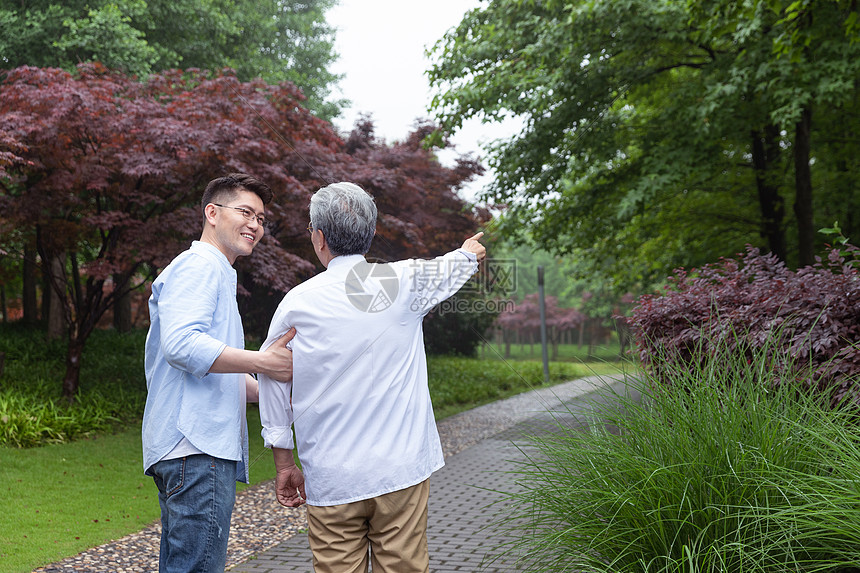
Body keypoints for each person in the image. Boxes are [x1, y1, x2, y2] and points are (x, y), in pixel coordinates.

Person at [258, 181, 486, 573]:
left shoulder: (297, 303)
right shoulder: (404, 281)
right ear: (370, 233)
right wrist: (470, 253)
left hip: (332, 479)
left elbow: (273, 379)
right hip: (401, 471)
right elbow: (454, 266)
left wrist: (283, 464)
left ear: (319, 237)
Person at [142, 173, 297, 573]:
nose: (255, 225)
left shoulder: (216, 272)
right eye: (245, 212)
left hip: (192, 449)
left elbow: (215, 368)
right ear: (211, 213)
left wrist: (272, 392)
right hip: (196, 447)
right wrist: (261, 362)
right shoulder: (200, 266)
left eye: (261, 219)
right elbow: (181, 345)